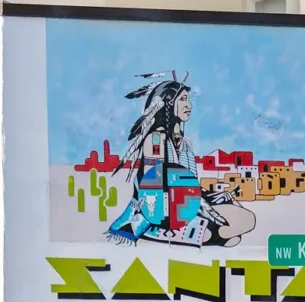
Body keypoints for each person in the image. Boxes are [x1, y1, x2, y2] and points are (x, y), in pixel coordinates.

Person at [107, 74, 256, 246]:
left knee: (244, 219)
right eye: (183, 100)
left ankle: (209, 233)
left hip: (187, 207)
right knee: (240, 222)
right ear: (168, 103)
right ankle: (195, 234)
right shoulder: (156, 140)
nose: (189, 105)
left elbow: (190, 186)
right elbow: (151, 190)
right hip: (162, 217)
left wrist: (213, 196)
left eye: (188, 100)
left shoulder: (185, 144)